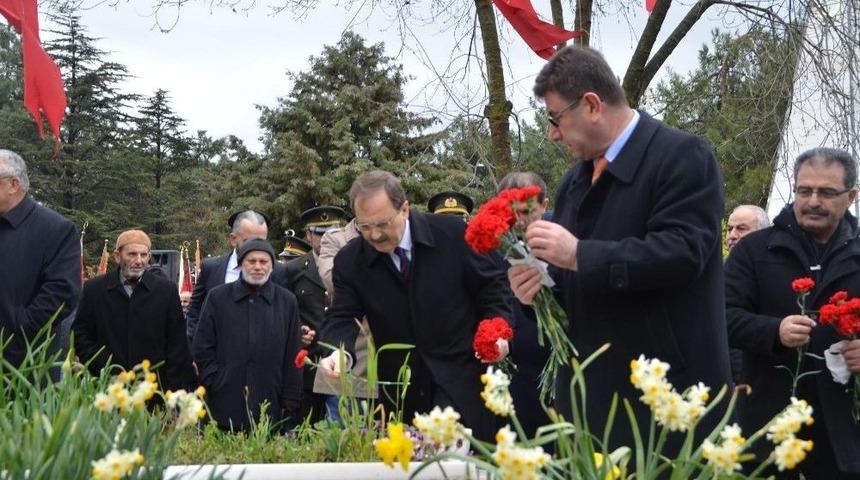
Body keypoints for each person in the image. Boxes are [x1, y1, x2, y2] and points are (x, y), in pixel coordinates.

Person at [507, 46, 731, 449]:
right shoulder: (574, 182)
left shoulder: (682, 157)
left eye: (555, 118)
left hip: (665, 398)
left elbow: (683, 253)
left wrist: (579, 254)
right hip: (590, 400)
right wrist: (537, 288)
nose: (552, 133)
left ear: (592, 105)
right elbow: (573, 279)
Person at [320, 170, 512, 440]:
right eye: (364, 227)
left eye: (383, 224)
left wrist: (498, 332)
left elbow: (493, 290)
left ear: (405, 209)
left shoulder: (454, 236)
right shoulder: (351, 262)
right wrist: (339, 353)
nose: (374, 235)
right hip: (401, 396)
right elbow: (342, 316)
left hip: (463, 384)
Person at [726, 148, 860, 478]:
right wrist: (774, 331)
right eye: (804, 190)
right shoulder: (754, 251)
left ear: (851, 196)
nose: (813, 201)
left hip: (843, 431)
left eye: (827, 192)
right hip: (766, 423)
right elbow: (720, 316)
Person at [191, 238, 303, 432]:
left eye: (263, 262)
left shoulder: (286, 301)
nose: (257, 267)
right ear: (241, 264)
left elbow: (293, 352)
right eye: (252, 261)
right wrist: (214, 379)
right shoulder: (218, 298)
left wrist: (290, 398)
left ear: (272, 266)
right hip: (224, 400)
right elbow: (202, 346)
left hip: (270, 401)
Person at [72, 230, 194, 392]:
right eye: (132, 254)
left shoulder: (166, 291)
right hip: (106, 387)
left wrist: (169, 390)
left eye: (144, 255)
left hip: (153, 389)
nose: (139, 261)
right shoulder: (95, 289)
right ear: (117, 256)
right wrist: (103, 364)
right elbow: (80, 334)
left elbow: (177, 344)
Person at [0, 149, 80, 368]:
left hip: (27, 363)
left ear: (13, 184)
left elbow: (62, 291)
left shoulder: (55, 229)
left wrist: (19, 328)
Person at [496, 171, 551, 437]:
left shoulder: (567, 243)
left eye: (526, 211)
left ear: (544, 205)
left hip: (560, 369)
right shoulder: (491, 251)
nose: (518, 220)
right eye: (510, 212)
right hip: (514, 376)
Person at [285, 205, 348, 423]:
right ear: (309, 235)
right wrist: (298, 331)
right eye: (321, 234)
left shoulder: (352, 265)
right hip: (308, 363)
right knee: (306, 427)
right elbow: (286, 312)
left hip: (343, 362)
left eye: (333, 233)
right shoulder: (293, 270)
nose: (326, 239)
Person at [186, 210, 288, 344]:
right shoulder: (211, 268)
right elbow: (195, 311)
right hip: (217, 357)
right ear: (233, 239)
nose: (255, 246)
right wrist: (198, 348)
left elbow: (285, 315)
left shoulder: (278, 271)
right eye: (249, 241)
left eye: (261, 241)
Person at [312, 217, 376, 422]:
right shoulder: (336, 238)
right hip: (350, 355)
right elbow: (333, 283)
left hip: (390, 361)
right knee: (345, 443)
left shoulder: (396, 235)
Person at [724, 204, 770, 384]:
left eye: (741, 229)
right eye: (729, 229)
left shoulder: (774, 275)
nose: (732, 235)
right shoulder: (713, 274)